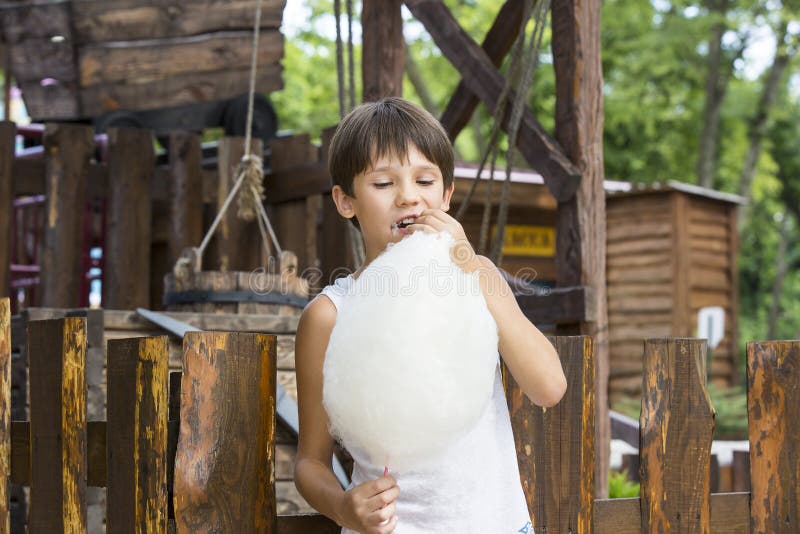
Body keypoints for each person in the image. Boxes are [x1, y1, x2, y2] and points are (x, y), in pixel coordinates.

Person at [294, 97, 567, 534]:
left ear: (446, 195)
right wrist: (343, 508)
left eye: (425, 180)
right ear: (346, 202)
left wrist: (470, 264)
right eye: (383, 184)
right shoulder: (330, 314)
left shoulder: (477, 279)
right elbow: (309, 462)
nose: (408, 198)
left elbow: (549, 387)